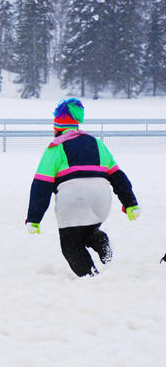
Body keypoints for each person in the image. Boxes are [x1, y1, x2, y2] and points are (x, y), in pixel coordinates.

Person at [25, 98, 140, 277]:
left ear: (57, 128)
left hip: (73, 201)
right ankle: (97, 237)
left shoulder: (55, 148)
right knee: (86, 229)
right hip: (101, 201)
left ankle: (90, 277)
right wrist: (130, 203)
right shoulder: (97, 144)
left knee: (71, 245)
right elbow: (118, 176)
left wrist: (34, 217)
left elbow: (41, 184)